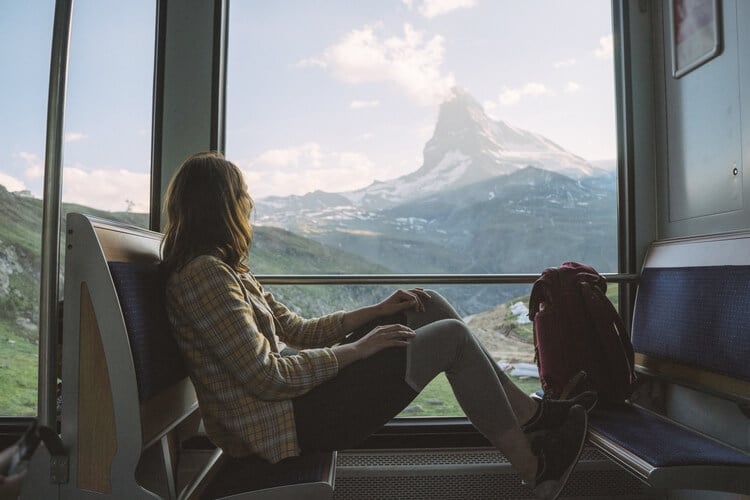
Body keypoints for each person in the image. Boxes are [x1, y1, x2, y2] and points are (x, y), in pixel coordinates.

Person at [161, 152, 596, 500]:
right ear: (221, 206)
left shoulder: (228, 270)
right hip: (282, 424)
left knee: (426, 303)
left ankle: (533, 416)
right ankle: (536, 468)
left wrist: (374, 312)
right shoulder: (205, 276)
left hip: (296, 405)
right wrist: (358, 349)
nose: (248, 206)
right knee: (453, 340)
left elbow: (294, 329)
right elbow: (267, 375)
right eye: (243, 197)